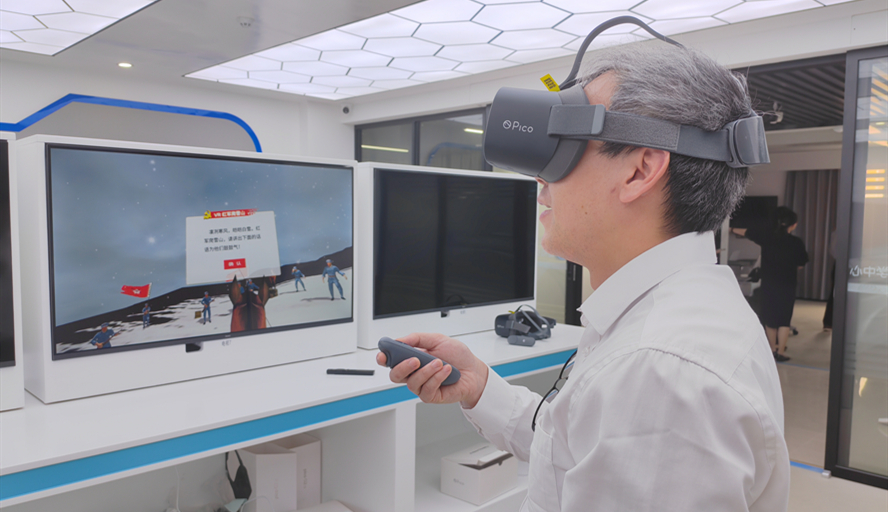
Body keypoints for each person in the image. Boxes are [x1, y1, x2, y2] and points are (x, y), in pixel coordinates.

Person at [378, 44, 789, 511]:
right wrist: (479, 385)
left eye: (566, 146)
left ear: (639, 170)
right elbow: (573, 449)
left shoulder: (660, 373)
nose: (541, 180)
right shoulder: (667, 322)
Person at [732, 207, 809, 362]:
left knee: (770, 318)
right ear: (793, 225)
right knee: (784, 319)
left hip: (769, 284)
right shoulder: (796, 243)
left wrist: (731, 229)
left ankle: (772, 350)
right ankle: (781, 352)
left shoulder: (766, 237)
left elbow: (747, 232)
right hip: (787, 285)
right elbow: (801, 264)